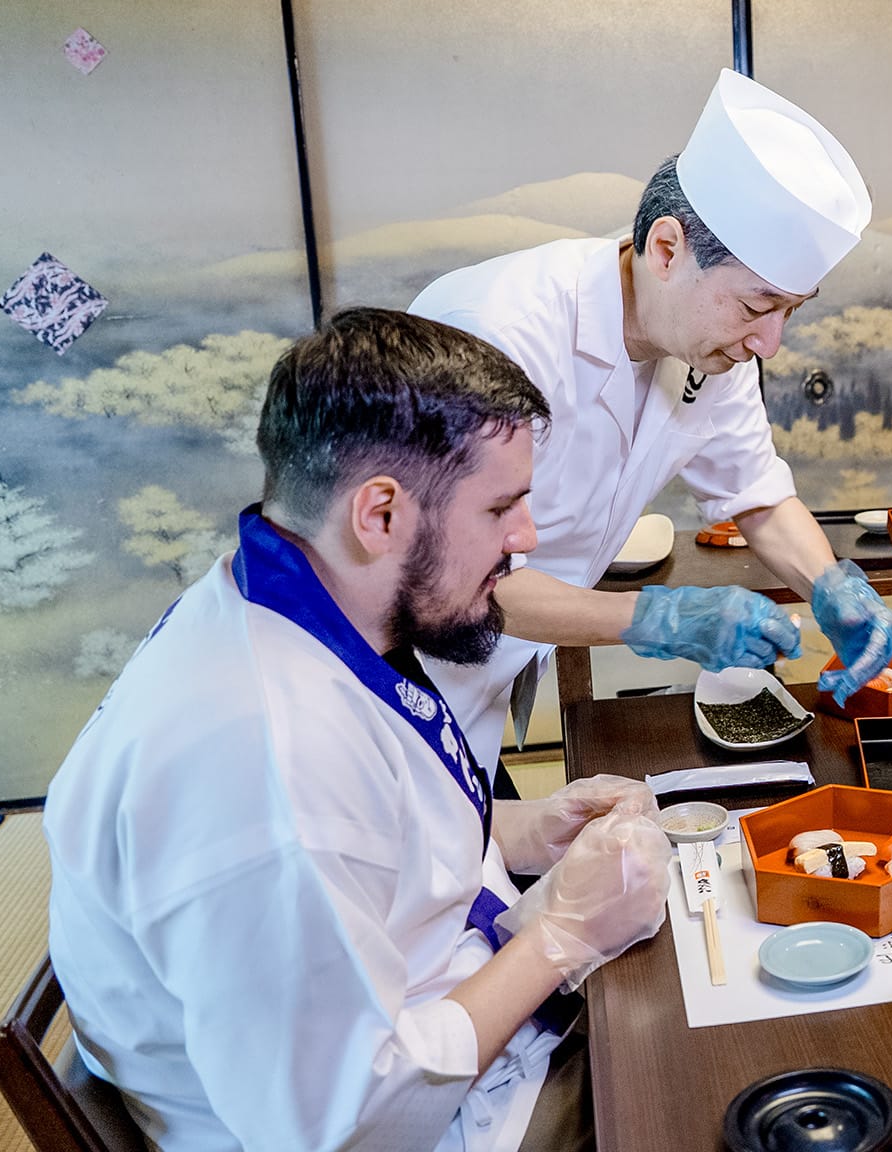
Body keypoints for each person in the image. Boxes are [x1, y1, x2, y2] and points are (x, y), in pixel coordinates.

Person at [44, 308, 672, 1151]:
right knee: (691, 1073)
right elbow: (348, 1125)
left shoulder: (278, 599)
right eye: (501, 509)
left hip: (422, 1000)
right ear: (379, 516)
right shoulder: (262, 760)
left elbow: (370, 842)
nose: (526, 539)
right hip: (405, 1120)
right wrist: (562, 935)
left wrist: (521, 833)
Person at [411, 68, 892, 764]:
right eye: (758, 306)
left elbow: (754, 491)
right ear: (667, 249)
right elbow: (457, 578)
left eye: (792, 310)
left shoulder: (708, 346)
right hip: (386, 676)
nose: (769, 343)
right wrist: (656, 618)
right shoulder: (497, 333)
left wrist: (830, 584)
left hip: (483, 684)